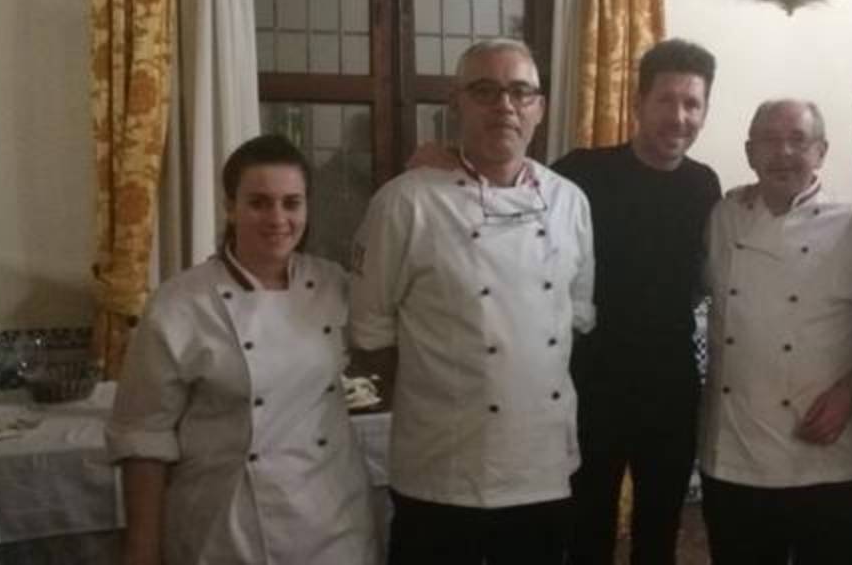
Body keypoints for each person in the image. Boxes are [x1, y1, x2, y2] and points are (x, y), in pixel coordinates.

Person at [349, 38, 596, 565]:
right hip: (441, 470)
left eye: (520, 92)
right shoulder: (405, 202)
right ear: (455, 105)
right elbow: (372, 336)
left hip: (543, 467)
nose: (505, 106)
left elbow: (572, 319)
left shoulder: (570, 201)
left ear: (539, 108)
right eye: (485, 90)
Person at [107, 134, 377, 565]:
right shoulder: (179, 304)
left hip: (333, 521)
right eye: (259, 202)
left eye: (292, 203)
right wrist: (142, 550)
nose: (278, 218)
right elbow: (144, 438)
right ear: (230, 208)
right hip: (226, 528)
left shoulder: (335, 286)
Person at [557, 38, 722, 565]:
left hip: (669, 387)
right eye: (666, 100)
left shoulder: (704, 184)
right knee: (587, 531)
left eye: (692, 103)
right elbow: (515, 188)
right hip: (591, 381)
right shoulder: (581, 171)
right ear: (638, 104)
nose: (680, 116)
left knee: (659, 534)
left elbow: (700, 275)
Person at [698, 99, 852, 565]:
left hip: (830, 457)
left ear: (821, 151)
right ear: (749, 152)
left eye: (798, 140)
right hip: (737, 455)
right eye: (769, 141)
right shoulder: (724, 216)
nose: (783, 152)